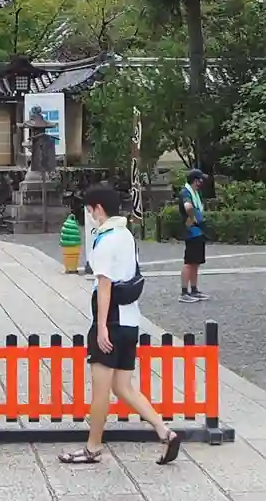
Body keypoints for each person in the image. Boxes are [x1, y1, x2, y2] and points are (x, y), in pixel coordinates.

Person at [61, 183, 183, 467]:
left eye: (90, 211)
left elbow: (105, 285)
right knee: (123, 386)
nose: (90, 216)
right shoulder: (127, 235)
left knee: (101, 390)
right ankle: (165, 432)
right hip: (130, 321)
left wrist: (101, 327)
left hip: (111, 323)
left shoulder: (105, 240)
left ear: (98, 209)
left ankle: (92, 448)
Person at [176, 167, 211, 302]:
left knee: (196, 262)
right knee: (189, 262)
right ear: (195, 181)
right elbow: (188, 207)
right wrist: (192, 218)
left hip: (198, 232)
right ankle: (184, 292)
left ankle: (194, 290)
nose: (202, 182)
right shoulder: (186, 193)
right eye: (200, 180)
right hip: (192, 231)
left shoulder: (195, 193)